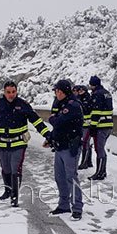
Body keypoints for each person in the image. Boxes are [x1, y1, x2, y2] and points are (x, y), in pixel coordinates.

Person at [0, 80, 49, 207]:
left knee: (15, 169)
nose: (11, 95)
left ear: (16, 91)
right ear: (4, 92)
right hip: (3, 145)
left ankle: (15, 197)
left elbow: (36, 121)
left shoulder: (23, 105)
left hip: (19, 144)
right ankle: (7, 190)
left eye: (13, 92)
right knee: (5, 169)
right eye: (8, 92)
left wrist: (47, 135)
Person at [44, 79, 84, 220]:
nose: (56, 94)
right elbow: (59, 128)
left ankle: (77, 207)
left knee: (71, 177)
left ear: (63, 91)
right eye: (56, 91)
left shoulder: (73, 105)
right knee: (60, 177)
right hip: (60, 146)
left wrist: (53, 118)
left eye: (58, 91)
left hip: (70, 147)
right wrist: (51, 139)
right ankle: (64, 205)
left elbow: (59, 122)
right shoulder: (62, 104)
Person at [88, 75, 114, 180]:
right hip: (109, 124)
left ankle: (100, 173)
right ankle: (102, 171)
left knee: (99, 149)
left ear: (93, 85)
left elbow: (96, 112)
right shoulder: (107, 93)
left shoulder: (97, 94)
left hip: (101, 126)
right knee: (101, 148)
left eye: (90, 85)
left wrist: (93, 126)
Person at [73, 84, 94, 169]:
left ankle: (84, 162)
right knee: (86, 143)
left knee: (85, 143)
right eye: (79, 91)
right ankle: (88, 162)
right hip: (82, 124)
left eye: (81, 91)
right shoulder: (79, 99)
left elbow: (86, 110)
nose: (80, 92)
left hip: (87, 124)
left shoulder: (87, 99)